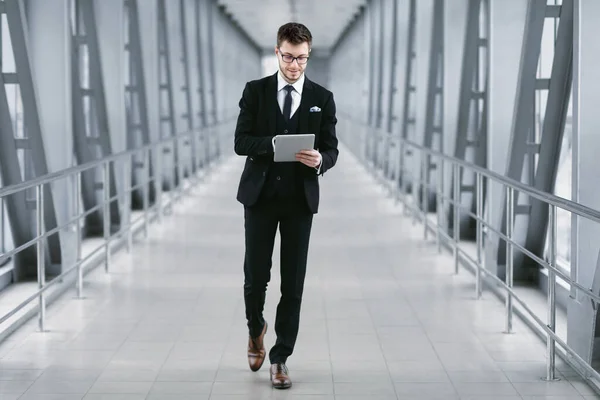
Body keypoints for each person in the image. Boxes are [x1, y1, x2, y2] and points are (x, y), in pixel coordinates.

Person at [233, 22, 338, 389]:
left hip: (298, 201)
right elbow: (241, 142)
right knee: (255, 279)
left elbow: (332, 148)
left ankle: (280, 358)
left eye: (302, 59)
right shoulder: (255, 92)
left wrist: (320, 160)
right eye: (289, 57)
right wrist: (274, 144)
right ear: (278, 52)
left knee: (292, 283)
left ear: (308, 55)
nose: (295, 65)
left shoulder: (321, 98)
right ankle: (255, 327)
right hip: (260, 198)